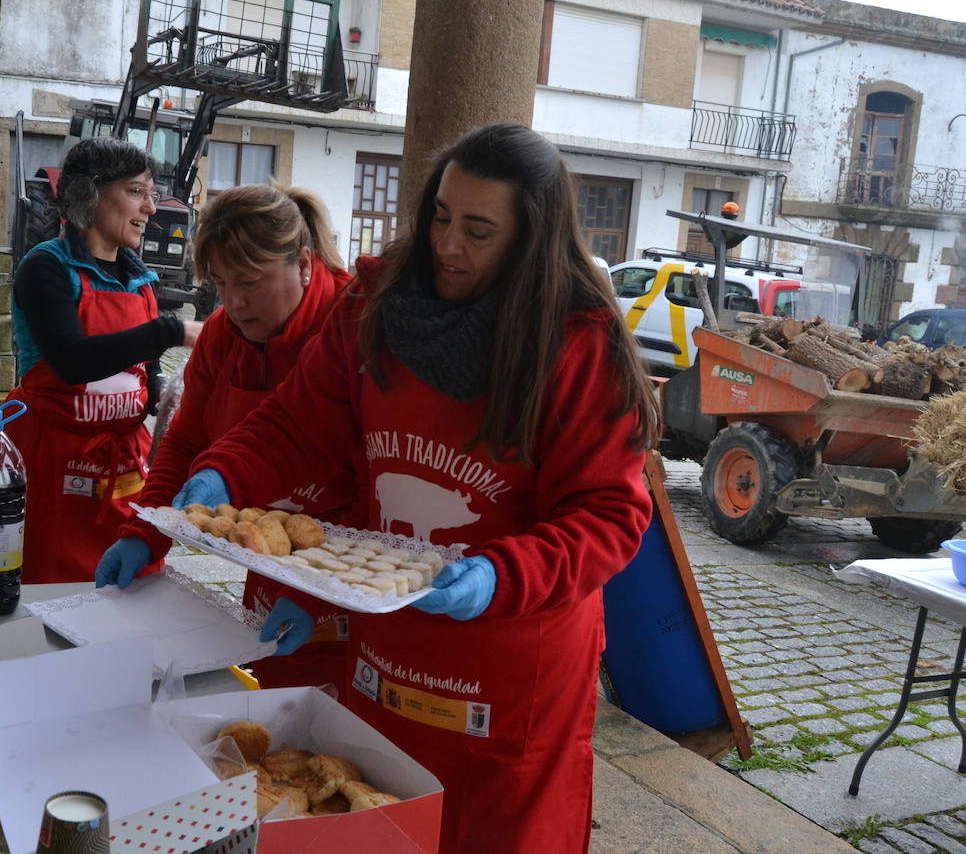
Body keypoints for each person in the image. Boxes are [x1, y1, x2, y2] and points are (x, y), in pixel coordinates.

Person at [171, 124, 658, 851]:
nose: (448, 246)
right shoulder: (379, 307)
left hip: (507, 673)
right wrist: (225, 470)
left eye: (478, 230)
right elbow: (298, 424)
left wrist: (500, 574)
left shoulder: (574, 343)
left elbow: (609, 514)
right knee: (379, 821)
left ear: (530, 239)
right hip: (389, 659)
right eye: (440, 216)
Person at [96, 184, 359, 692]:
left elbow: (374, 479)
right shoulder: (223, 333)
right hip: (266, 556)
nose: (234, 302)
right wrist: (148, 528)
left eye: (250, 282)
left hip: (349, 571)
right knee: (277, 706)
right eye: (219, 283)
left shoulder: (349, 327)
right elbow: (185, 443)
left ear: (303, 263)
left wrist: (316, 589)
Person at [4, 136, 201, 584]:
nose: (150, 209)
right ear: (89, 195)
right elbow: (72, 361)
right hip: (53, 469)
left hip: (125, 472)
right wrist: (172, 332)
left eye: (151, 194)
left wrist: (171, 404)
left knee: (133, 587)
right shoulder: (46, 268)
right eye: (136, 192)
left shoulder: (141, 280)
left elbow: (145, 376)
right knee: (51, 599)